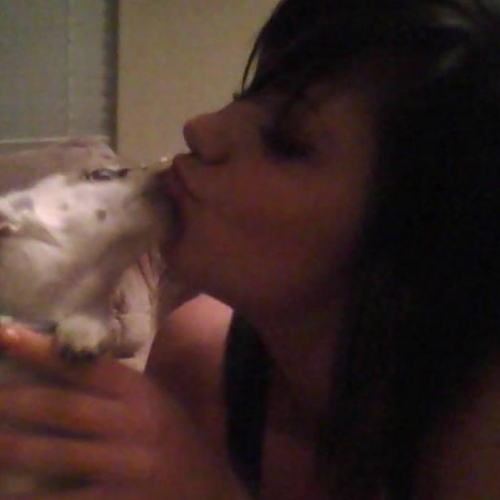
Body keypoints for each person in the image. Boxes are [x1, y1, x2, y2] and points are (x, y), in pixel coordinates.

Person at [0, 0, 500, 498]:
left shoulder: (478, 433)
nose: (201, 127)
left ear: (421, 226)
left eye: (286, 139)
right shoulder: (197, 359)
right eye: (247, 96)